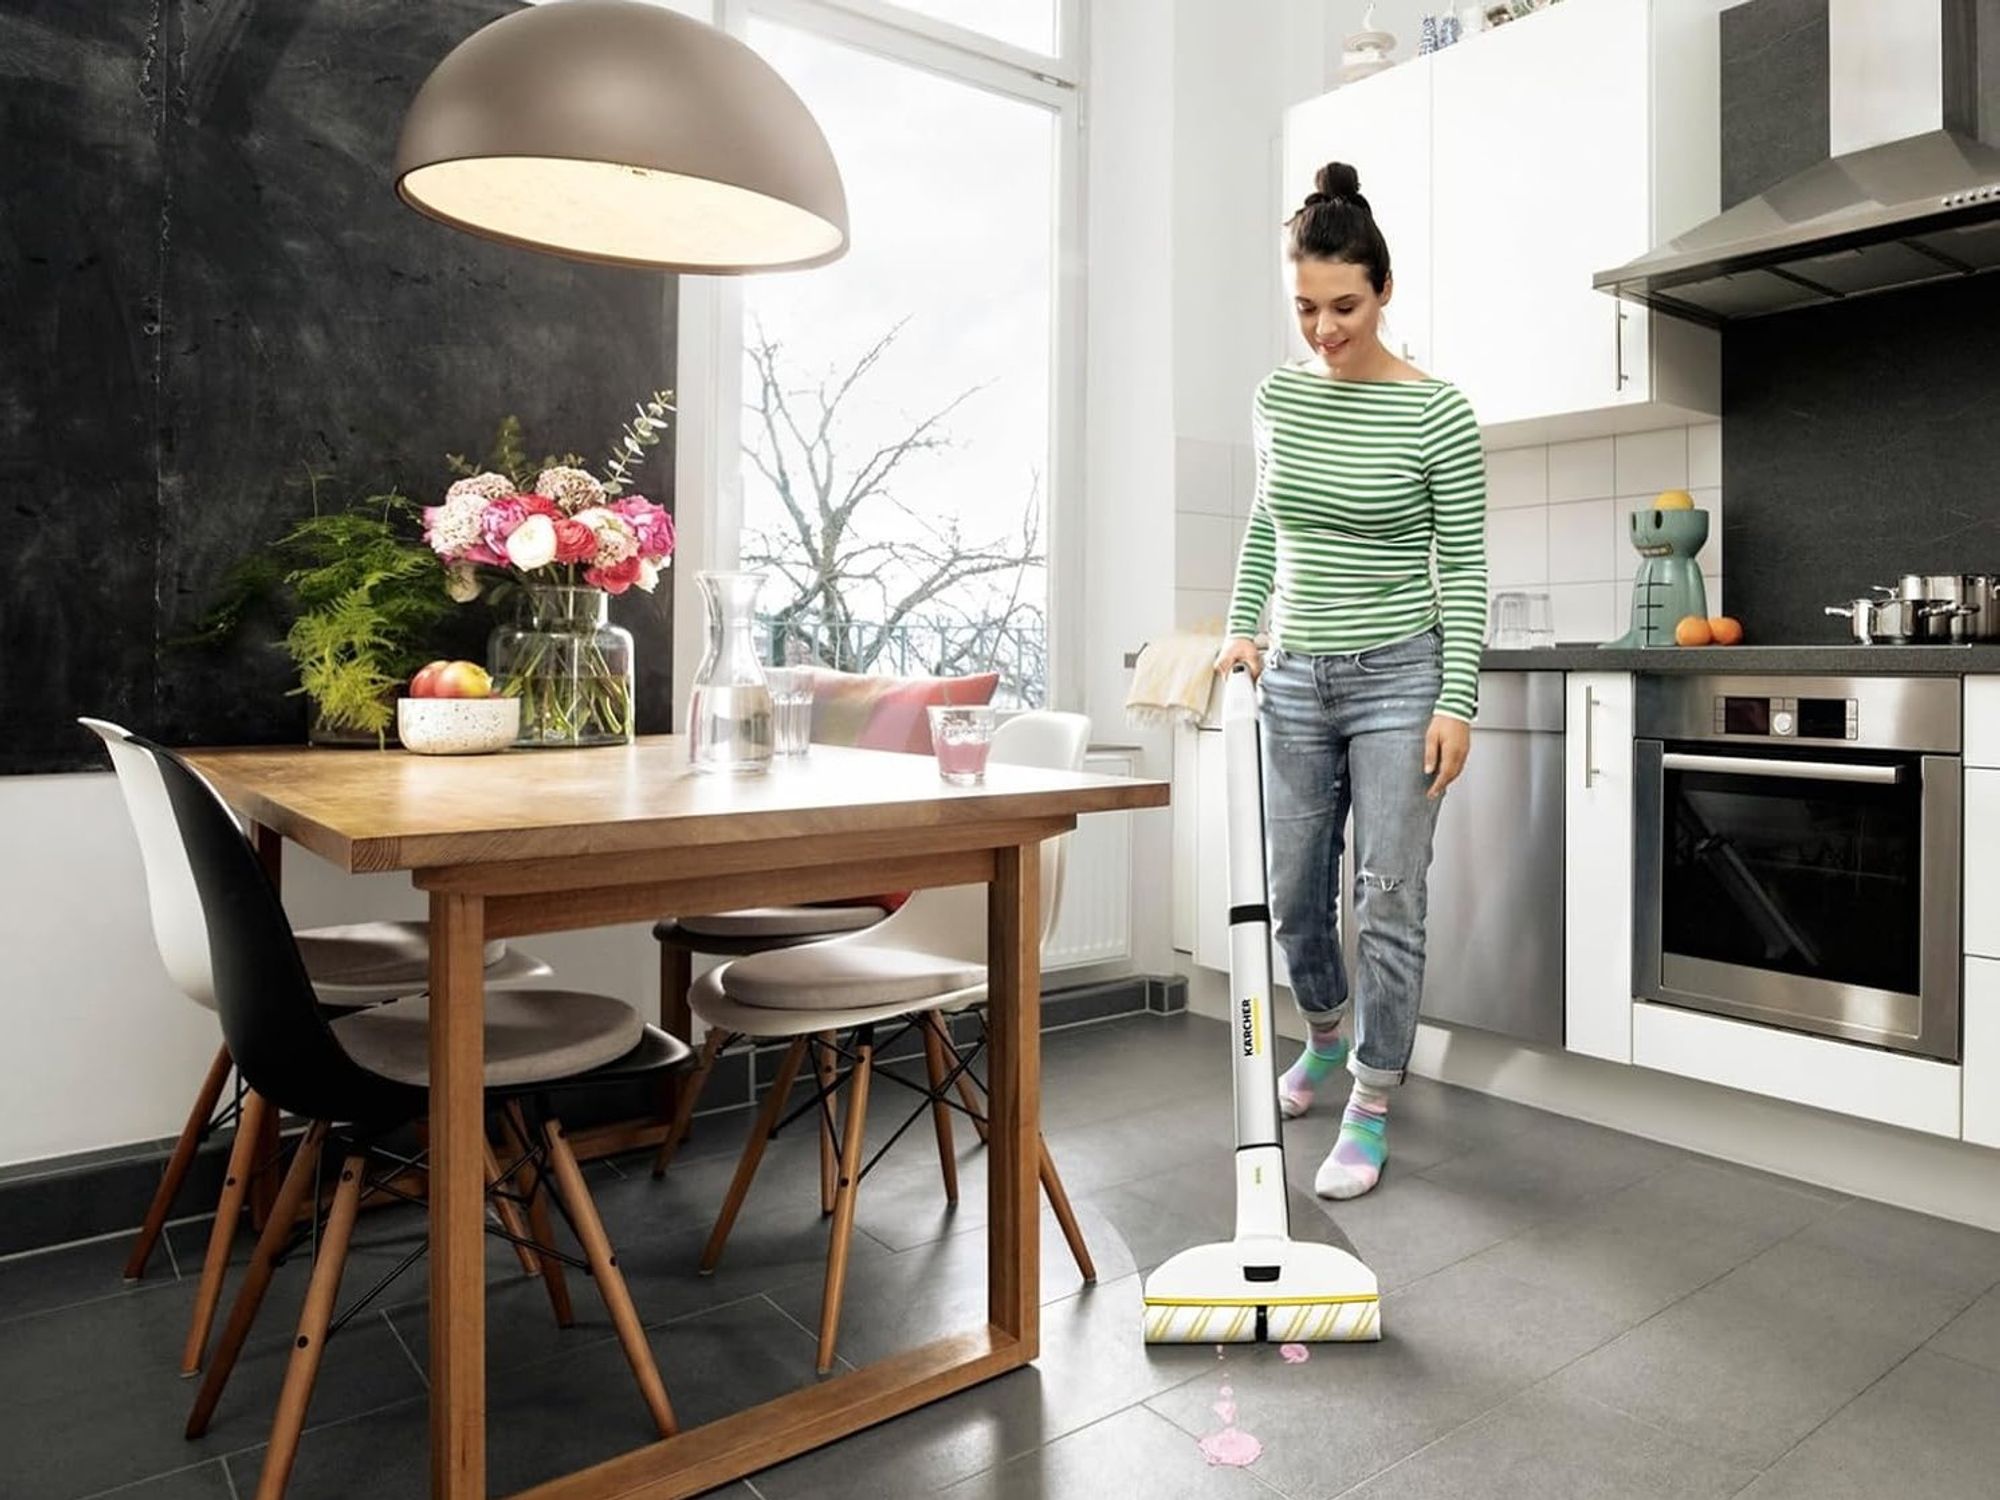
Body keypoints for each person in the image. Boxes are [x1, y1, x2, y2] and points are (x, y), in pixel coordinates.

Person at [1216, 160, 1488, 1201]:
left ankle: (1370, 1102)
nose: (1322, 329)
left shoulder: (1437, 414)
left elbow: (1459, 567)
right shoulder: (1277, 395)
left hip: (1398, 677)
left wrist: (1454, 697)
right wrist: (1242, 629)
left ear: (1382, 294)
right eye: (1303, 309)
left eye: (1342, 307)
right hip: (1292, 677)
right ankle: (1323, 1037)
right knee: (1291, 895)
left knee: (1386, 895)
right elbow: (1261, 522)